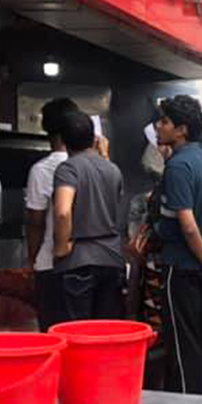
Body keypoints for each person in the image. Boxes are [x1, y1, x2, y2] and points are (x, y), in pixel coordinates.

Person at [152, 95, 202, 396]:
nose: (159, 127)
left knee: (184, 345)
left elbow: (187, 225)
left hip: (184, 268)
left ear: (181, 129)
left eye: (164, 121)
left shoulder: (177, 167)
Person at [52, 110, 126, 321]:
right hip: (111, 259)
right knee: (104, 331)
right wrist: (104, 156)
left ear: (62, 140)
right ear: (94, 137)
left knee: (77, 331)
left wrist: (61, 246)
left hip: (79, 261)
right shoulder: (113, 169)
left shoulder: (68, 169)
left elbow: (63, 211)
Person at [25, 97, 79, 331]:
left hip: (51, 263)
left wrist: (32, 258)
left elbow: (36, 222)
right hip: (86, 262)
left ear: (46, 129)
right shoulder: (92, 165)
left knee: (53, 332)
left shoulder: (42, 169)